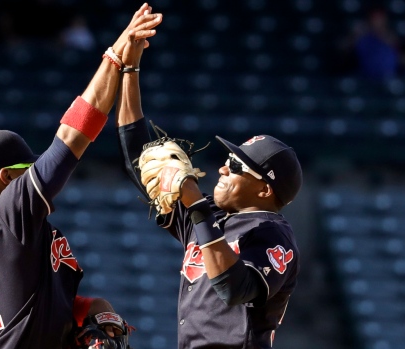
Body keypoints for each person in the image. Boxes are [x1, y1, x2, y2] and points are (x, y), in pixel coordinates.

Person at [0, 3, 162, 348]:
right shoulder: (7, 214)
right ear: (7, 177)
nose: (35, 173)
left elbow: (33, 306)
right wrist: (114, 57)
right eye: (27, 170)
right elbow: (71, 139)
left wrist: (95, 310)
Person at [115, 33, 303, 348]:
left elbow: (233, 288)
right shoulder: (208, 217)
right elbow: (139, 159)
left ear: (264, 191)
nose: (223, 169)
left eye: (237, 167)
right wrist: (130, 72)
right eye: (228, 160)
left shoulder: (272, 232)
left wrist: (196, 206)